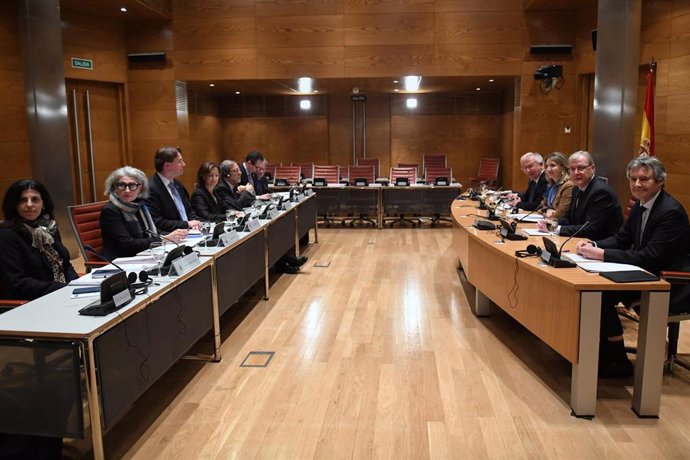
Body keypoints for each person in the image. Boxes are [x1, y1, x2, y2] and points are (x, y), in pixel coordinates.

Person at [575, 155, 690, 378]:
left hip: (669, 281)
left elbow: (650, 257)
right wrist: (593, 244)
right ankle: (605, 352)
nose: (637, 184)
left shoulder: (670, 212)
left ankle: (617, 359)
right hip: (645, 273)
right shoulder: (641, 205)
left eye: (644, 179)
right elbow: (621, 238)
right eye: (633, 179)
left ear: (659, 181)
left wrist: (603, 254)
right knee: (589, 291)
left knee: (599, 295)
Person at [0, 179, 78, 301]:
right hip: (31, 302)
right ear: (14, 205)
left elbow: (65, 264)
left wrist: (79, 285)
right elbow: (18, 283)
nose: (30, 204)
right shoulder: (7, 236)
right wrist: (63, 289)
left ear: (44, 204)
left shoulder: (49, 228)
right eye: (23, 200)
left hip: (62, 294)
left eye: (35, 199)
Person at [100, 166, 187, 260]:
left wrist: (175, 235)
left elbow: (150, 232)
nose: (127, 190)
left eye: (132, 185)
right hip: (121, 261)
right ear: (114, 187)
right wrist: (164, 239)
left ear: (140, 188)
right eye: (121, 185)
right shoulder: (110, 211)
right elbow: (127, 244)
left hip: (142, 255)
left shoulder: (139, 206)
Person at [537, 150, 622, 240]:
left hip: (600, 244)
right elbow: (570, 219)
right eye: (572, 169)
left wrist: (555, 229)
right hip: (582, 240)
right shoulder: (576, 188)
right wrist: (552, 223)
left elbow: (592, 229)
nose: (576, 172)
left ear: (592, 169)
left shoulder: (600, 192)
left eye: (581, 168)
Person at [145, 146, 200, 232]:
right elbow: (157, 221)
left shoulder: (177, 184)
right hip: (170, 238)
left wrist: (194, 223)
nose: (184, 164)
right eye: (180, 161)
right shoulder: (151, 188)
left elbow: (189, 209)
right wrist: (187, 224)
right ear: (167, 165)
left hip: (190, 233)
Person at [539, 152, 573, 219]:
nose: (548, 169)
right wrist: (548, 210)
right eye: (547, 166)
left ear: (563, 167)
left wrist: (549, 213)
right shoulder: (552, 186)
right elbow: (540, 208)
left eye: (552, 165)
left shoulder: (568, 186)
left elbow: (560, 214)